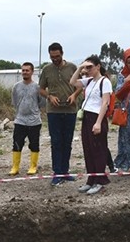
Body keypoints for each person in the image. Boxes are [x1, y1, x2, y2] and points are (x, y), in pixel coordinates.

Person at [38, 42, 83, 186]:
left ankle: (65, 171)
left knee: (67, 141)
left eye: (57, 56)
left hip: (70, 111)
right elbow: (41, 89)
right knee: (56, 142)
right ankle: (57, 173)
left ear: (62, 53)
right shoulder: (46, 70)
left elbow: (80, 86)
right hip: (53, 112)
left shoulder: (72, 68)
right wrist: (50, 97)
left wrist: (74, 96)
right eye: (52, 57)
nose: (55, 59)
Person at [70, 55, 112, 195]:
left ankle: (100, 180)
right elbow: (72, 82)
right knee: (88, 149)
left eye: (90, 67)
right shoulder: (88, 81)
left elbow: (105, 103)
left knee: (98, 149)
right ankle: (91, 179)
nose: (87, 70)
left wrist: (99, 122)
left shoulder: (104, 81)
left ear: (98, 66)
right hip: (87, 116)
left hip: (97, 117)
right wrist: (80, 68)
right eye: (86, 67)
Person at [10, 62, 45, 176]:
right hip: (20, 120)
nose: (25, 72)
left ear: (32, 72)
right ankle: (15, 166)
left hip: (34, 121)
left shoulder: (37, 87)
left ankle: (33, 166)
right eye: (23, 70)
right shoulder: (16, 86)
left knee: (34, 144)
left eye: (27, 70)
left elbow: (42, 102)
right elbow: (14, 101)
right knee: (17, 143)